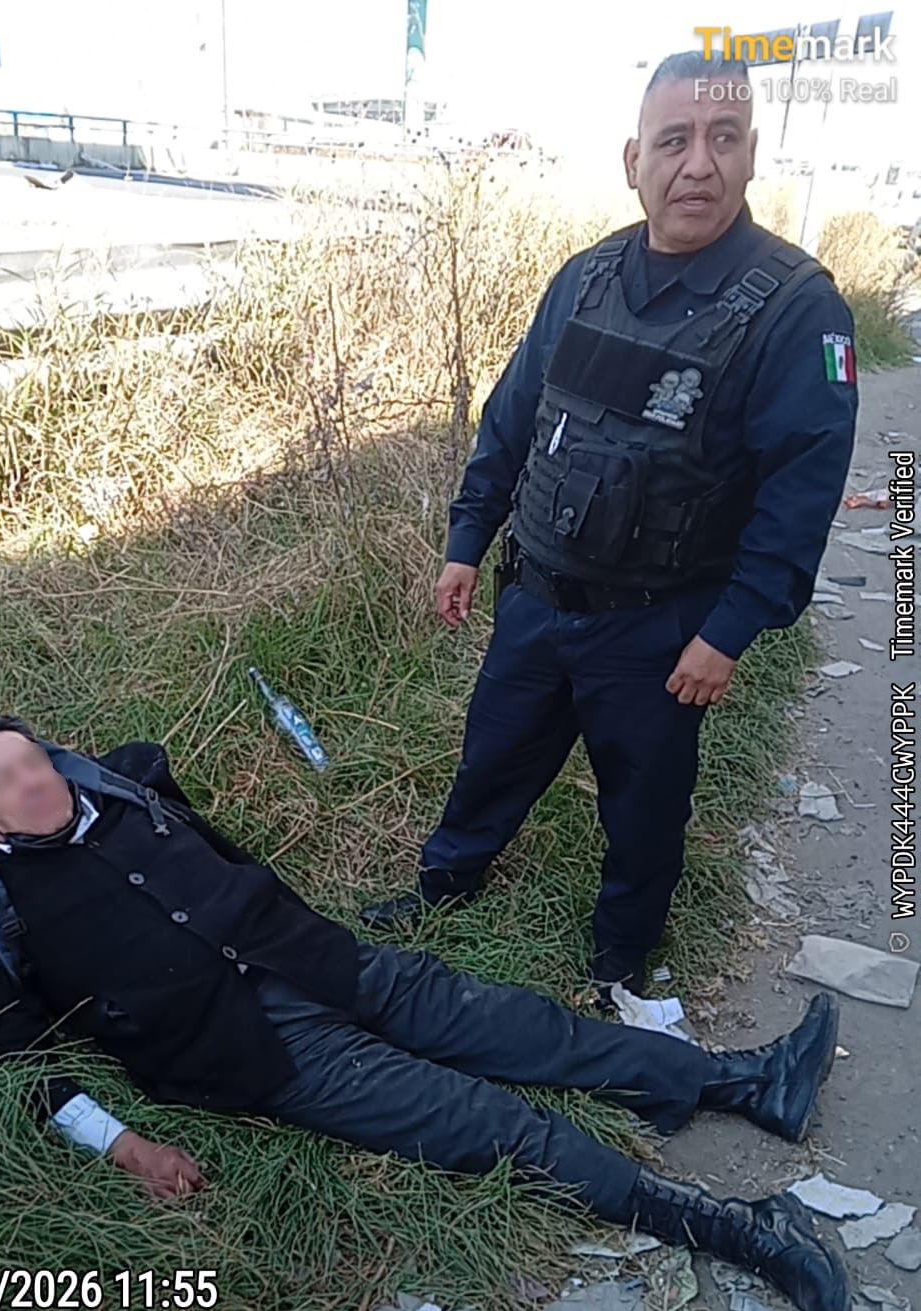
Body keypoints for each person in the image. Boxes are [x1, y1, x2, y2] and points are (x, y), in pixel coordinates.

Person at [0, 712, 852, 1311]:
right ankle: (741, 1229)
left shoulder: (128, 793)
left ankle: (747, 1081)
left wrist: (317, 937)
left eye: (35, 760)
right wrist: (125, 1145)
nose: (37, 782)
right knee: (495, 1125)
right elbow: (15, 1063)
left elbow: (235, 862)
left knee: (530, 1031)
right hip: (267, 1054)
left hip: (330, 965)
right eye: (7, 781)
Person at [361, 50, 859, 1006]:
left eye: (722, 139)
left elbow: (801, 494)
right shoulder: (585, 278)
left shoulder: (798, 308)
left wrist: (729, 632)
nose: (697, 165)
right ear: (634, 160)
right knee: (493, 757)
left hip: (659, 630)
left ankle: (619, 958)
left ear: (752, 155)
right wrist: (467, 540)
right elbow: (512, 418)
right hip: (537, 597)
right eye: (673, 141)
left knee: (644, 806)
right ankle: (444, 884)